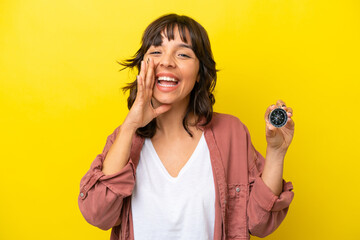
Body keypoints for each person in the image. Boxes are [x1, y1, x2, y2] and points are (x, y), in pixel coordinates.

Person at [78, 14, 295, 240]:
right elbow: (97, 214)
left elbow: (259, 223)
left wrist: (277, 151)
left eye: (182, 54)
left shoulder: (230, 133)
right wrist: (131, 123)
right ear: (143, 67)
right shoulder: (124, 138)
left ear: (200, 73)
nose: (167, 61)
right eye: (155, 52)